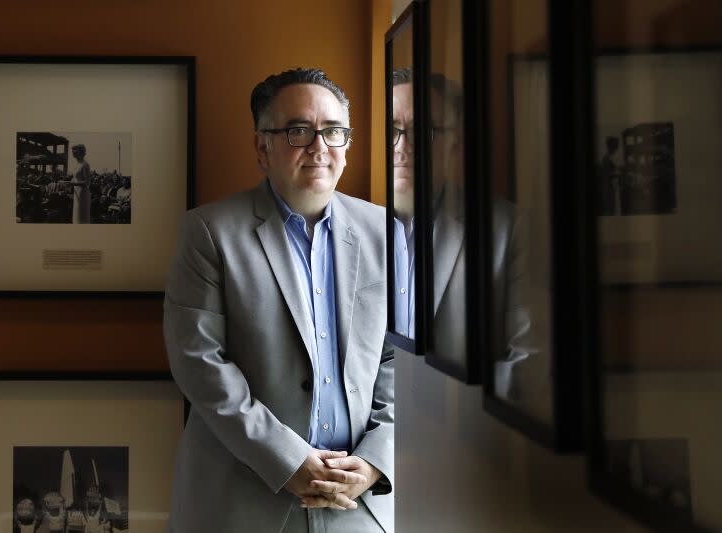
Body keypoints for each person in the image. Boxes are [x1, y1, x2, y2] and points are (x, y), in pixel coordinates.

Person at [164, 68, 393, 533]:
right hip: (243, 501)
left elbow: (403, 360)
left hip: (361, 504)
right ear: (262, 146)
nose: (319, 146)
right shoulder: (210, 232)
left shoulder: (386, 232)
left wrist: (375, 461)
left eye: (333, 131)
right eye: (298, 131)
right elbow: (199, 362)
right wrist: (289, 461)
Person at [391, 69, 532, 399]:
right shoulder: (352, 230)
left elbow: (530, 363)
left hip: (464, 438)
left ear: (455, 141)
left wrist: (441, 406)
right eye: (391, 130)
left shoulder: (509, 229)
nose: (402, 147)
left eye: (422, 130)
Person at [70, 144, 91, 224]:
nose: (73, 152)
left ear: (81, 152)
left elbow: (87, 182)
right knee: (76, 217)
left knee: (81, 218)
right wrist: (70, 181)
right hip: (76, 193)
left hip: (83, 194)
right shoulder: (76, 164)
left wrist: (73, 183)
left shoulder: (85, 165)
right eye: (73, 150)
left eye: (75, 150)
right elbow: (75, 178)